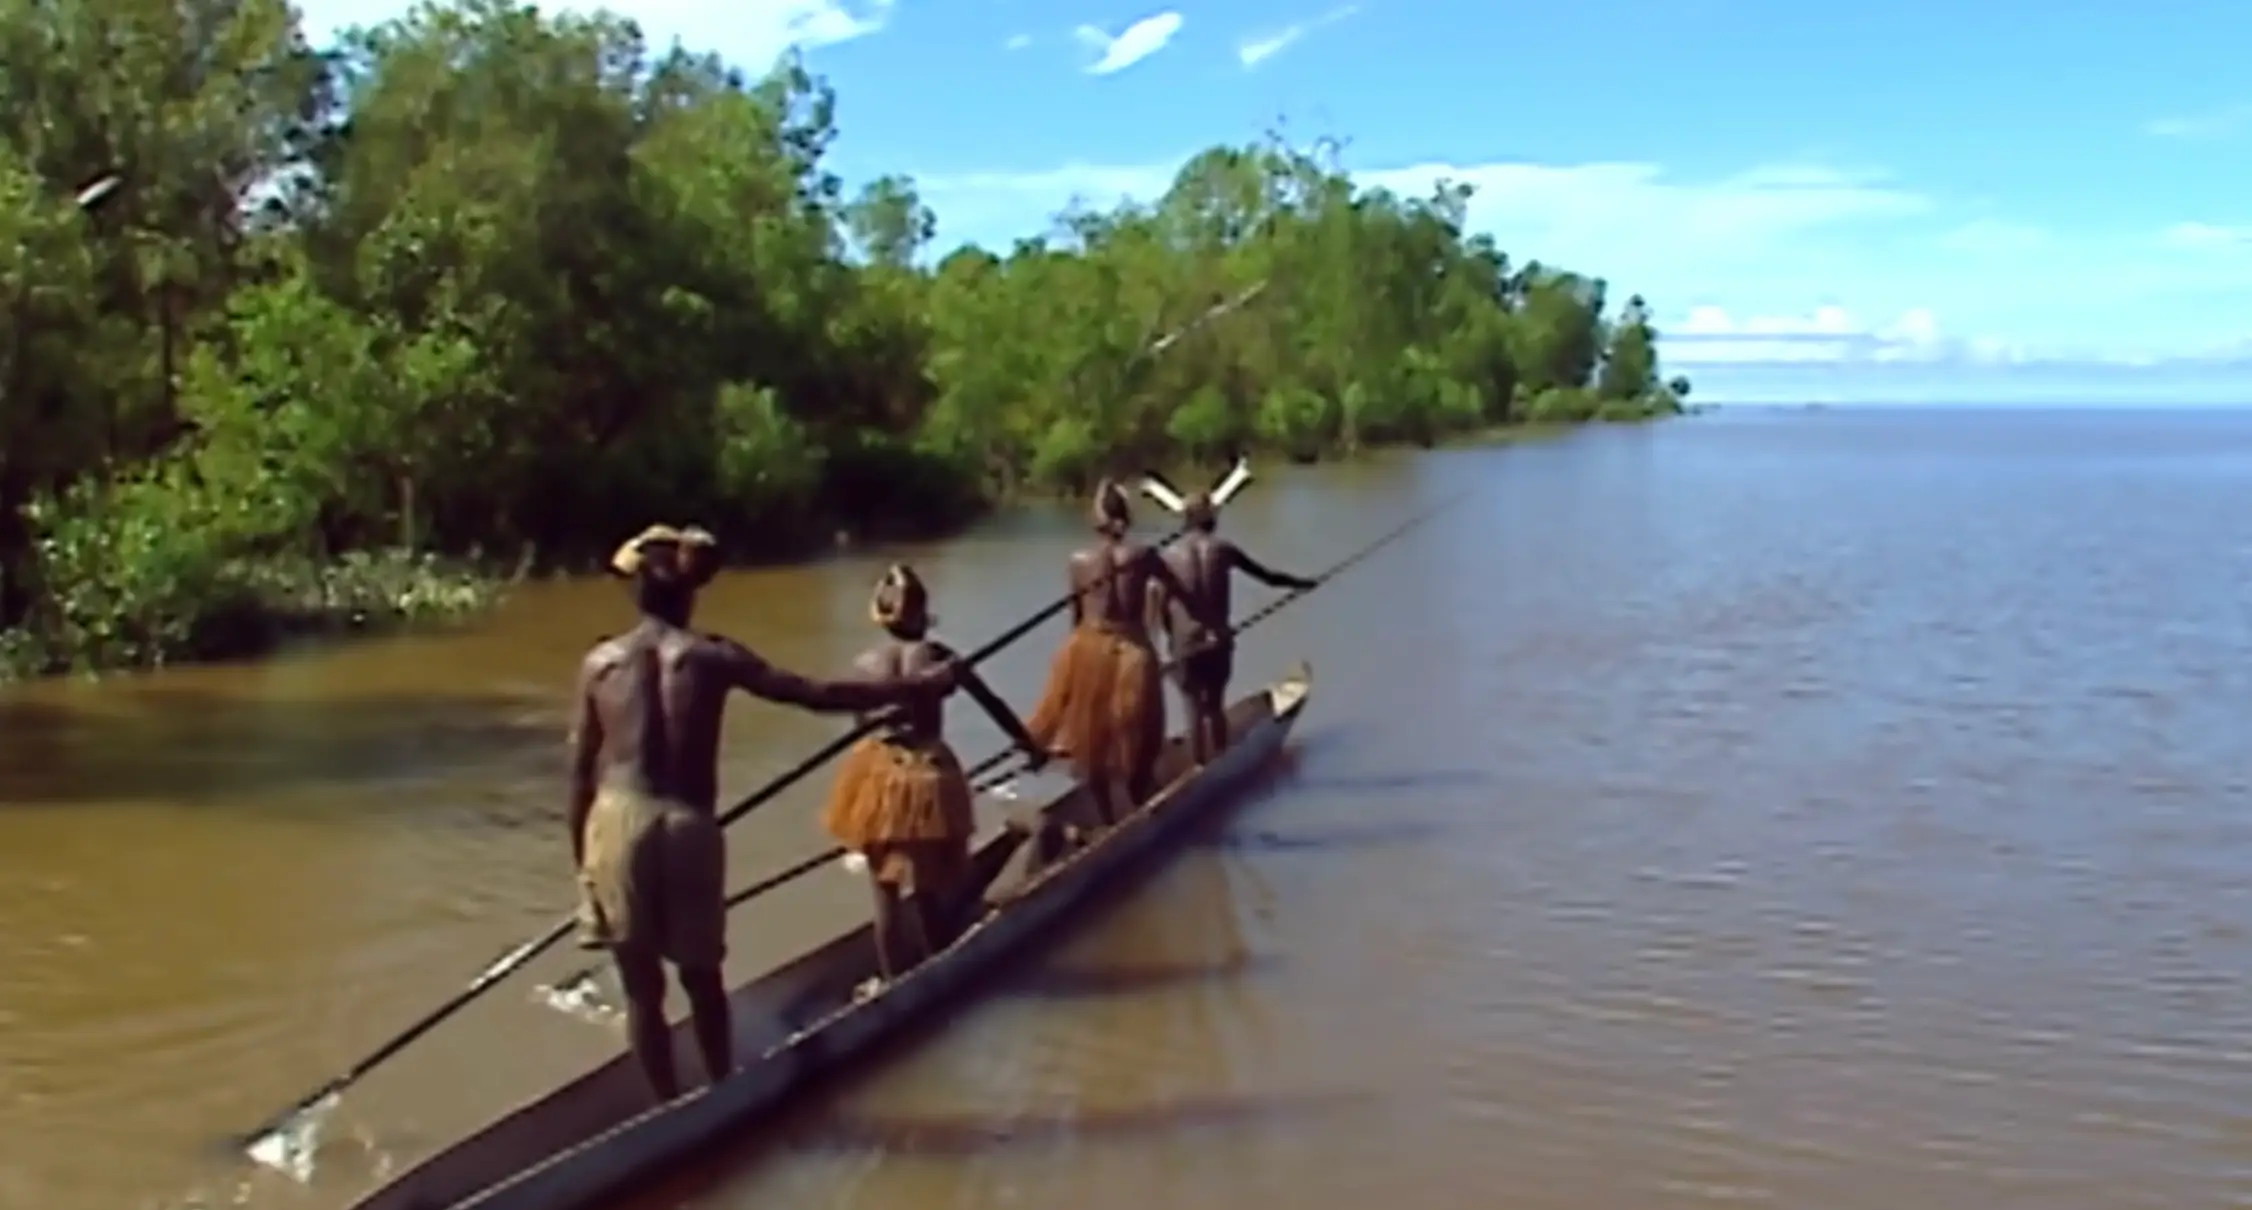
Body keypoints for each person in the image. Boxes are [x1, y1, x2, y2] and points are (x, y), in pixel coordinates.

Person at [568, 524, 959, 1104]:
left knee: (641, 990)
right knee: (702, 979)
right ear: (690, 593)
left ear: (637, 595)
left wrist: (584, 864)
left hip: (616, 820)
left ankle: (668, 1106)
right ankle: (722, 1093)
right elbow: (816, 694)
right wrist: (918, 687)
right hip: (687, 825)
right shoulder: (713, 656)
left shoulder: (599, 664)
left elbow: (579, 774)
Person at [823, 564, 1049, 981]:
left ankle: (894, 980)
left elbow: (860, 730)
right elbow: (992, 703)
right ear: (922, 615)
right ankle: (937, 969)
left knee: (885, 893)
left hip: (877, 773)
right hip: (927, 775)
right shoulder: (938, 657)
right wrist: (1030, 746)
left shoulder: (862, 664)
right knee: (927, 887)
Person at [1025, 479, 1224, 830]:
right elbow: (1180, 592)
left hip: (1086, 647)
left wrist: (1074, 670)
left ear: (1095, 519)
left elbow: (1076, 617)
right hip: (1132, 650)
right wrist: (1206, 629)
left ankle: (1107, 815)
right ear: (1126, 516)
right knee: (1144, 734)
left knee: (1093, 739)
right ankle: (1136, 798)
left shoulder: (1077, 560)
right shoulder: (1144, 555)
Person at [1148, 491, 1318, 765]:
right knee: (1214, 704)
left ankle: (1200, 765)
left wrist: (1161, 651)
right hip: (1218, 640)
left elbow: (1156, 606)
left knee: (1193, 707)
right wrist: (1301, 584)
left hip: (1185, 645)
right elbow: (1269, 578)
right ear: (1211, 518)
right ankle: (1220, 761)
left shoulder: (1166, 558)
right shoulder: (1223, 549)